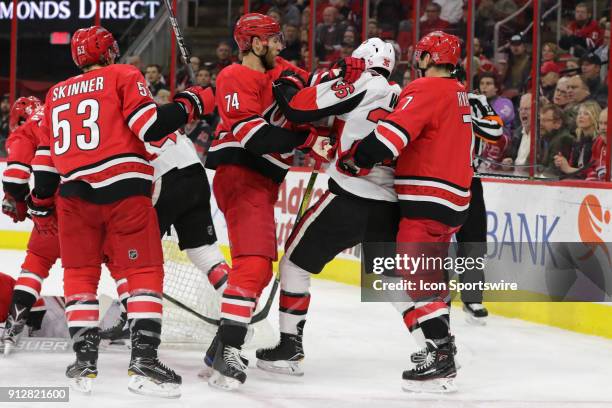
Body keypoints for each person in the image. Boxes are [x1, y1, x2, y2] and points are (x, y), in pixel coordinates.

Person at [27, 25, 214, 397]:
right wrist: (191, 102)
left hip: (74, 199)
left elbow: (45, 163)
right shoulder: (123, 75)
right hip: (124, 192)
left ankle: (84, 361)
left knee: (80, 275)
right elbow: (149, 127)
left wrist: (40, 203)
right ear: (110, 52)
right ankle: (143, 361)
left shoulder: (55, 94)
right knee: (142, 270)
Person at [203, 13, 364, 390]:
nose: (280, 45)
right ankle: (229, 350)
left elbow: (315, 88)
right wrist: (307, 142)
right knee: (256, 266)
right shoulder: (234, 76)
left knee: (256, 267)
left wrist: (346, 74)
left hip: (263, 181)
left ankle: (218, 348)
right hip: (240, 175)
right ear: (256, 44)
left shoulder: (283, 70)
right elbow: (255, 138)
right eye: (273, 40)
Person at [255, 38, 402, 376]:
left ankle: (290, 347)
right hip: (388, 202)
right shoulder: (397, 91)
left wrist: (287, 85)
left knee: (294, 261)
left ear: (361, 59)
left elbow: (298, 108)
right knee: (390, 278)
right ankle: (436, 341)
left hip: (352, 194)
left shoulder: (362, 80)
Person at [337, 31, 473, 393]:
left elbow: (391, 137)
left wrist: (356, 158)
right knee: (429, 281)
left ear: (428, 57)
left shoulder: (426, 89)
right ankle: (439, 349)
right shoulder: (462, 93)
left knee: (415, 281)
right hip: (456, 202)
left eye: (422, 54)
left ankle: (442, 358)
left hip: (428, 200)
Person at [554, 100, 602, 178]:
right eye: (579, 113)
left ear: (595, 117)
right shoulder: (577, 141)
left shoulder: (599, 141)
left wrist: (568, 169)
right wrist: (562, 164)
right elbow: (571, 166)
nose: (580, 116)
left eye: (586, 114)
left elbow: (594, 171)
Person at [538, 104, 574, 172]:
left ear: (558, 123)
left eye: (545, 120)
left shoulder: (563, 139)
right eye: (540, 120)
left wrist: (535, 171)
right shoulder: (544, 138)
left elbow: (553, 171)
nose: (540, 123)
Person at [587, 107, 608, 180]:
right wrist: (593, 176)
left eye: (606, 124)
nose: (602, 127)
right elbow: (591, 167)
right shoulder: (598, 142)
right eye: (600, 123)